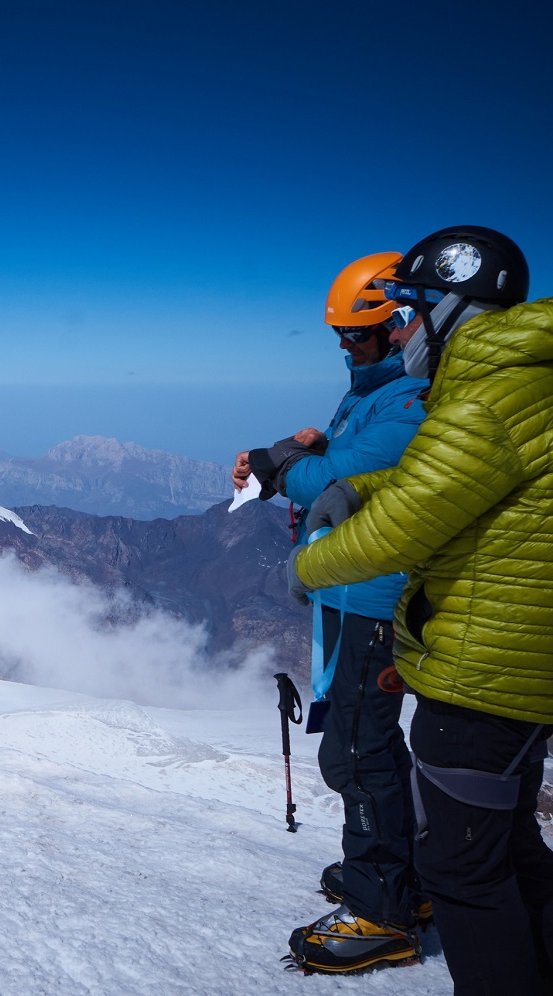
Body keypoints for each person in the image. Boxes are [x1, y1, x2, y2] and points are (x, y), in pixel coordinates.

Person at [290, 225, 553, 993]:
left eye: (406, 313)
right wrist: (351, 486)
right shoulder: (513, 386)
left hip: (486, 660)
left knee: (460, 865)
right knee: (502, 849)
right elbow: (445, 490)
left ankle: (392, 913)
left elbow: (410, 521)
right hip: (517, 649)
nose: (393, 333)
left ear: (450, 309)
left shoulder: (486, 403)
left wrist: (306, 561)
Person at [234, 253, 430, 973]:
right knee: (367, 742)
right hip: (351, 592)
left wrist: (274, 459)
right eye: (342, 337)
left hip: (372, 597)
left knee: (355, 750)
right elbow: (332, 464)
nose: (347, 348)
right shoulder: (373, 394)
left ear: (398, 324)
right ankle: (406, 878)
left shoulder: (410, 398)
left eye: (359, 335)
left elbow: (339, 478)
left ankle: (384, 912)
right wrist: (302, 450)